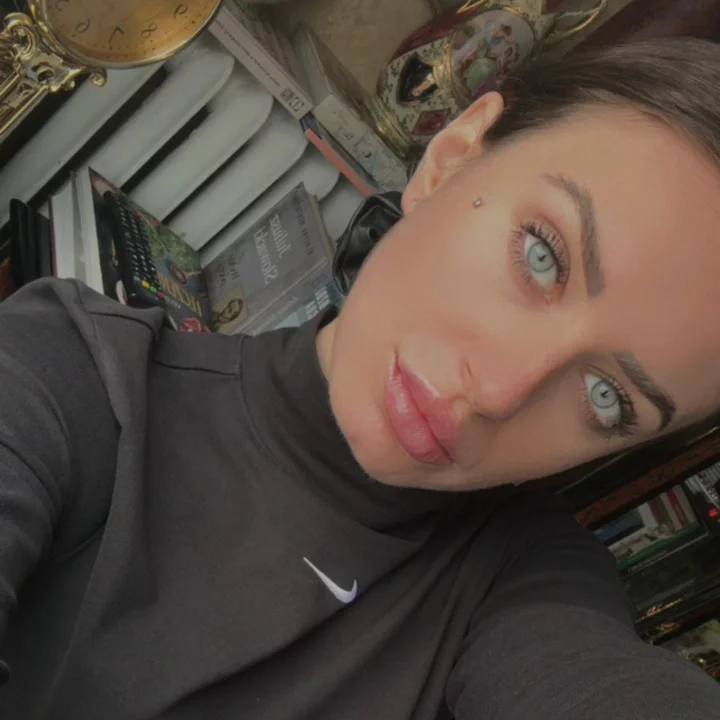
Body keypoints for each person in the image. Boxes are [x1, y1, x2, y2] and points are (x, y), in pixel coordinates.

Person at [2, 37, 720, 720]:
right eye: (542, 256)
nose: (500, 391)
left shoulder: (532, 584)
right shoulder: (73, 370)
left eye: (606, 398)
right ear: (450, 161)